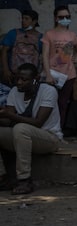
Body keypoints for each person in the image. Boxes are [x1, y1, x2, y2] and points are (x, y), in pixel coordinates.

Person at [0, 63, 63, 195]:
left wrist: (10, 115)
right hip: (23, 135)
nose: (19, 82)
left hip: (49, 138)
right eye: (17, 79)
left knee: (21, 128)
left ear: (36, 79)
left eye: (24, 80)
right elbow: (8, 120)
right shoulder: (14, 91)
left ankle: (24, 180)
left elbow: (38, 122)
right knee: (10, 130)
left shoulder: (48, 91)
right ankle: (8, 176)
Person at [41, 5, 77, 128]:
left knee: (63, 104)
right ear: (55, 18)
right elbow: (44, 55)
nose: (65, 19)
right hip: (53, 73)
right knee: (48, 103)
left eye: (67, 17)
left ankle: (59, 131)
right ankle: (47, 130)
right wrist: (48, 74)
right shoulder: (49, 34)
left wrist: (76, 58)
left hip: (69, 75)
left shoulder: (72, 35)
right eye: (61, 17)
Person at [1, 9, 43, 86]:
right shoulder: (13, 33)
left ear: (34, 21)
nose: (23, 21)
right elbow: (4, 51)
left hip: (31, 77)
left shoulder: (40, 37)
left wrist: (41, 73)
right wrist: (6, 70)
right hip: (13, 75)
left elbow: (44, 57)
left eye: (26, 19)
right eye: (22, 18)